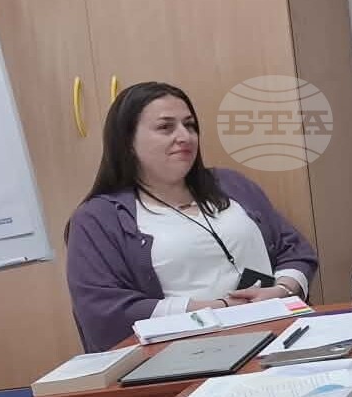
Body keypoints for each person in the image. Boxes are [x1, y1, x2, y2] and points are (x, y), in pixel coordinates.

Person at [64, 81, 317, 351]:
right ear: (127, 142)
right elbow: (103, 309)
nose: (185, 136)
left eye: (190, 125)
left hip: (280, 332)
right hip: (188, 352)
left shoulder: (231, 184)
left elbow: (295, 250)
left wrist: (282, 290)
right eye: (166, 127)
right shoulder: (98, 218)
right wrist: (213, 309)